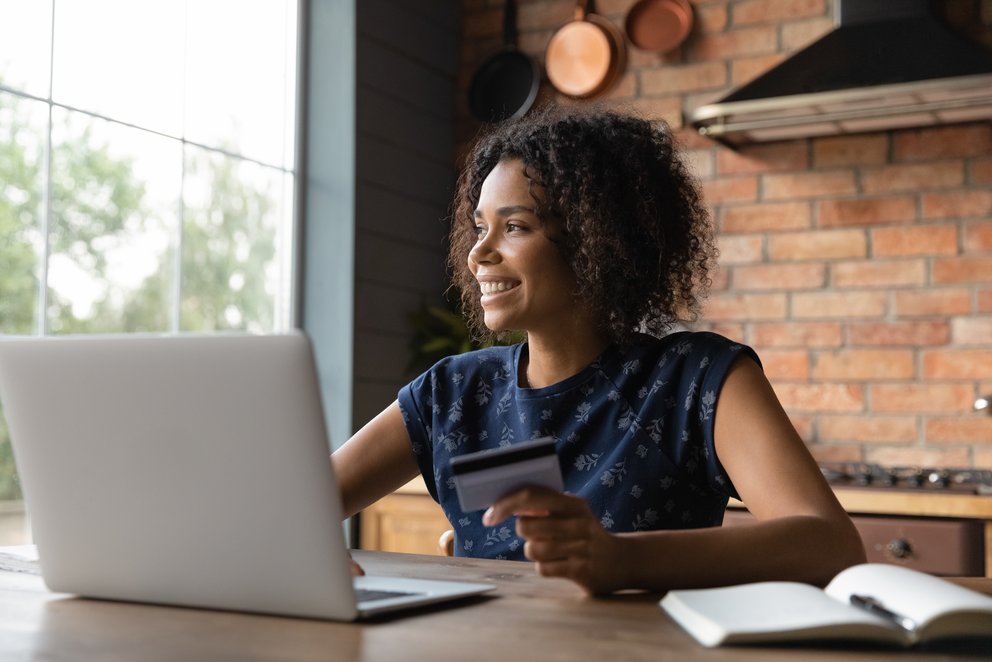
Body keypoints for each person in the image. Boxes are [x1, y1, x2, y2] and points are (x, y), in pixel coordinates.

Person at [332, 104, 866, 595]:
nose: (478, 253)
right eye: (479, 227)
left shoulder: (698, 379)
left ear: (595, 240)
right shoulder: (451, 392)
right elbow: (300, 504)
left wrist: (620, 560)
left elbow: (830, 546)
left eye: (514, 226)